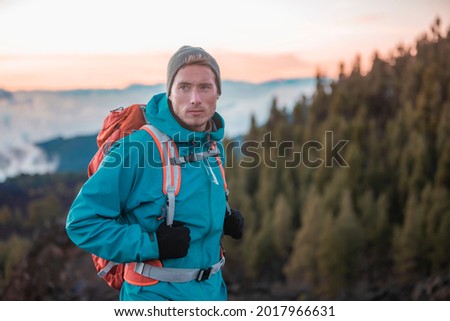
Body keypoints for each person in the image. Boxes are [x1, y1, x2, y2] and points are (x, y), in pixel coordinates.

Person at [66, 45, 244, 301]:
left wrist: (221, 217)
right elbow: (81, 223)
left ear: (218, 93)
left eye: (205, 87)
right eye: (184, 87)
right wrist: (152, 244)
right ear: (170, 93)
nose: (195, 98)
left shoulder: (213, 148)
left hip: (213, 292)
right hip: (153, 296)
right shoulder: (136, 149)